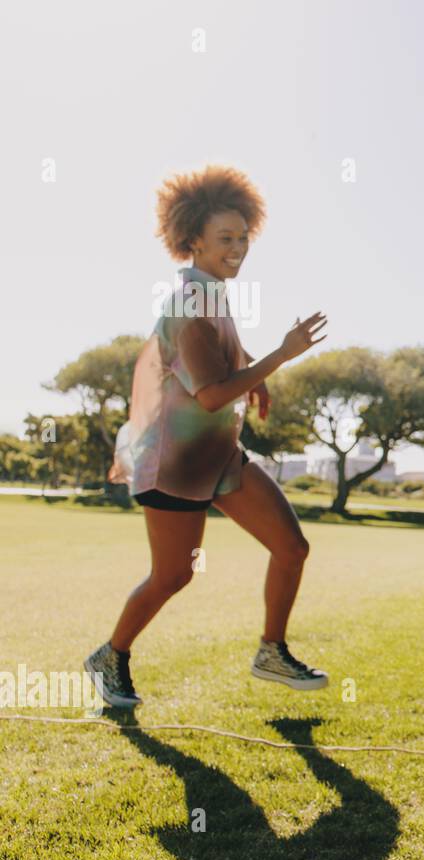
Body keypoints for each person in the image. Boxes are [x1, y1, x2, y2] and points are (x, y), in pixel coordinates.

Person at [85, 165, 330, 708]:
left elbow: (222, 360)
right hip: (172, 463)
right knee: (172, 576)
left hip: (219, 457)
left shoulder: (213, 294)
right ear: (192, 239)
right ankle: (111, 655)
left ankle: (272, 651)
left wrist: (254, 377)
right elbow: (212, 394)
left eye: (244, 237)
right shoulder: (190, 302)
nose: (239, 247)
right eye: (226, 238)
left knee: (291, 547)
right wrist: (281, 356)